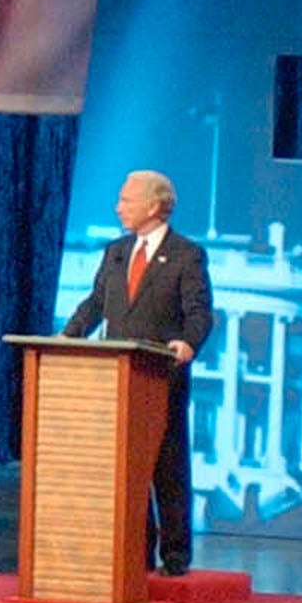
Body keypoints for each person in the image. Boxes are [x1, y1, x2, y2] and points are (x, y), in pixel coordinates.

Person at [59, 169, 213, 576]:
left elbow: (200, 312)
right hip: (117, 377)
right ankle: (136, 550)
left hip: (161, 376)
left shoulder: (187, 254)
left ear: (154, 206)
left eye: (126, 200)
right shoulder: (116, 251)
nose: (118, 207)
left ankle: (175, 556)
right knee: (126, 467)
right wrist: (68, 336)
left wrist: (188, 343)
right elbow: (96, 304)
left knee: (166, 467)